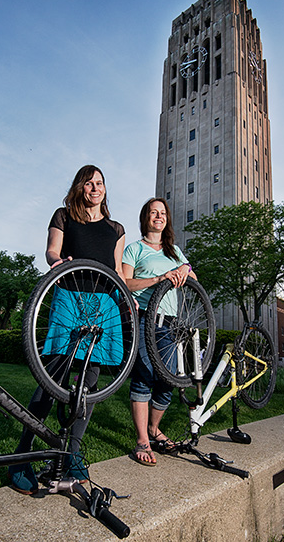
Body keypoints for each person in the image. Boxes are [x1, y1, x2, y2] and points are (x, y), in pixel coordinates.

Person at [9, 164, 125, 494]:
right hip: (68, 297)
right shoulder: (63, 216)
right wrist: (56, 262)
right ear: (79, 187)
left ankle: (71, 452)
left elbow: (116, 271)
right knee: (52, 380)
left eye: (100, 183)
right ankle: (22, 454)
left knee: (88, 385)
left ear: (105, 189)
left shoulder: (116, 228)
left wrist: (125, 299)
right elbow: (52, 251)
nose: (95, 188)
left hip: (103, 307)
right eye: (89, 183)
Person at [122, 197, 196, 466]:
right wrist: (158, 279)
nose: (158, 216)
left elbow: (193, 276)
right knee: (145, 376)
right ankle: (142, 439)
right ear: (146, 218)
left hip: (170, 324)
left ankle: (155, 430)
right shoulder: (134, 249)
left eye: (162, 213)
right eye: (153, 212)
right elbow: (125, 283)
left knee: (168, 379)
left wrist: (181, 269)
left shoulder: (174, 250)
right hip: (143, 319)